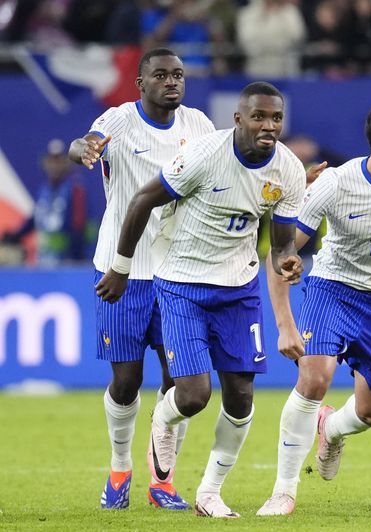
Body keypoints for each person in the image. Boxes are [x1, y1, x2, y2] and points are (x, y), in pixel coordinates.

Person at [95, 81, 306, 518]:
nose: (269, 126)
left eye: (276, 118)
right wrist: (119, 266)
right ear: (238, 119)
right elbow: (142, 201)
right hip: (183, 283)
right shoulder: (204, 155)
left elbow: (283, 243)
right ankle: (159, 423)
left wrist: (288, 260)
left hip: (239, 287)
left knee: (242, 396)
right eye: (259, 117)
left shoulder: (288, 169)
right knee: (192, 395)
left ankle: (209, 492)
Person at [256, 99, 371, 517]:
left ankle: (330, 428)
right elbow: (280, 253)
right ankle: (283, 491)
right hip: (332, 289)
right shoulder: (336, 184)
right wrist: (285, 323)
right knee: (315, 377)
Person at [67, 47, 216, 511]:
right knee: (127, 381)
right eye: (160, 75)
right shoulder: (119, 121)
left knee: (181, 382)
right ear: (141, 83)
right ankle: (118, 467)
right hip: (122, 270)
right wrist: (83, 149)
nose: (171, 81)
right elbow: (85, 141)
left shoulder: (199, 126)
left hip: (180, 272)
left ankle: (163, 481)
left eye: (178, 75)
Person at [3, 139, 87, 266]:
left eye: (58, 161)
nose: (54, 165)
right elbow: (35, 218)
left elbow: (78, 228)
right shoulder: (43, 190)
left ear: (66, 163)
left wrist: (76, 261)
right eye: (51, 160)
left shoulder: (75, 190)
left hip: (66, 262)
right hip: (43, 260)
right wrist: (15, 235)